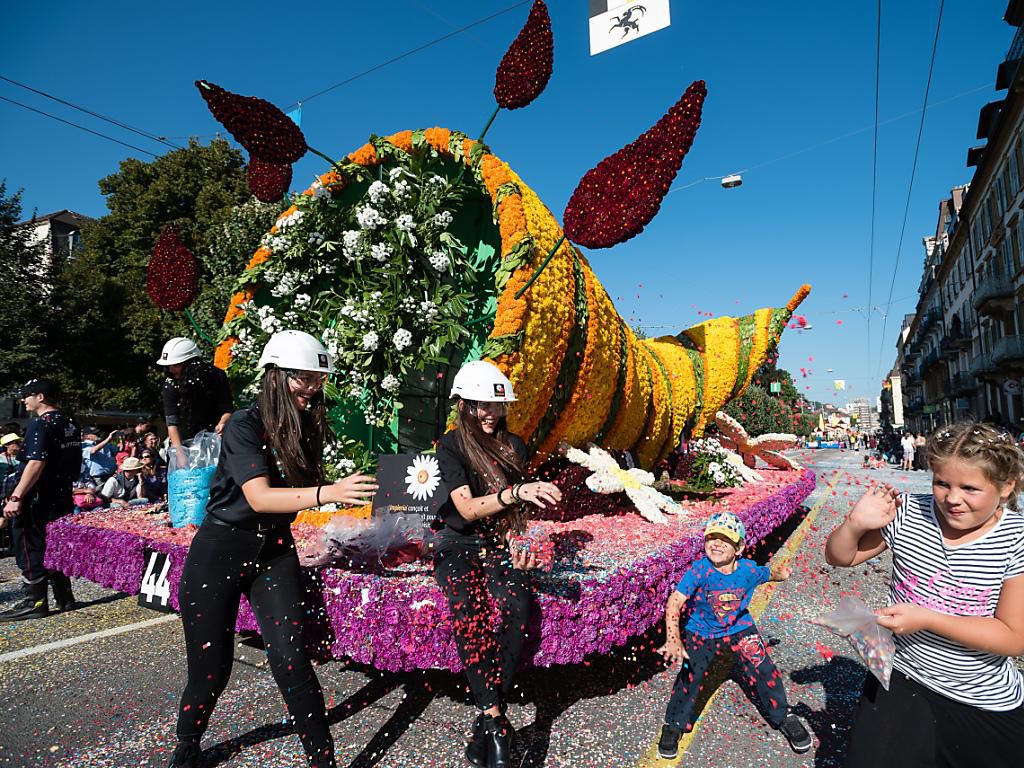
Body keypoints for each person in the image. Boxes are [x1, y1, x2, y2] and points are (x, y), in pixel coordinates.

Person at [167, 330, 376, 768]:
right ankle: (187, 744)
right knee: (212, 668)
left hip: (274, 550)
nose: (312, 387)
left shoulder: (309, 424)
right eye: (303, 377)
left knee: (292, 659)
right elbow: (259, 497)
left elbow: (292, 496)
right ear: (276, 375)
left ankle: (323, 760)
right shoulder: (245, 423)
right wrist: (329, 491)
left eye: (318, 378)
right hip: (220, 548)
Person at [825, 422, 1024, 767]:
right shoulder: (909, 513)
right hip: (901, 677)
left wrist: (927, 619)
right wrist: (855, 524)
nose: (952, 498)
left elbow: (1012, 637)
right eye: (941, 483)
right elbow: (840, 556)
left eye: (970, 488)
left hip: (979, 697)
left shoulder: (1015, 538)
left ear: (1006, 487)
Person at [434, 360, 562, 768]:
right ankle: (496, 720)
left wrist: (519, 541)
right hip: (456, 543)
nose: (490, 414)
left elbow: (512, 517)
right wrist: (517, 493)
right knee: (468, 610)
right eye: (480, 405)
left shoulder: (516, 445)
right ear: (463, 405)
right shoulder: (450, 445)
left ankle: (488, 723)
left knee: (518, 607)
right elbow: (467, 509)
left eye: (496, 405)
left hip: (497, 545)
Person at [655, 511, 813, 759]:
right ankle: (674, 724)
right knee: (689, 677)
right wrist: (673, 638)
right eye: (711, 538)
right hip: (701, 633)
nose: (716, 543)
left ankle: (783, 715)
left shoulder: (748, 570)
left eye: (724, 539)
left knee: (765, 670)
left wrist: (781, 575)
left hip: (740, 629)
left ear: (739, 548)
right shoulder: (698, 571)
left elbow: (766, 574)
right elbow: (674, 603)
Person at [0, 379, 82, 620]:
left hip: (38, 496)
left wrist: (16, 496)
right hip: (61, 493)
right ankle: (64, 596)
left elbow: (36, 462)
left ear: (40, 397)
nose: (23, 400)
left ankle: (34, 601)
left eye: (27, 395)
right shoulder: (69, 421)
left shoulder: (41, 423)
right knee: (54, 545)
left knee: (28, 545)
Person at [158, 337, 233, 456]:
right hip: (184, 445)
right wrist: (179, 454)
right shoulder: (170, 384)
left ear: (191, 363)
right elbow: (172, 423)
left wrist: (222, 423)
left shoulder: (216, 376)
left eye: (176, 365)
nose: (171, 370)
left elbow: (227, 408)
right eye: (168, 366)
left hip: (216, 442)